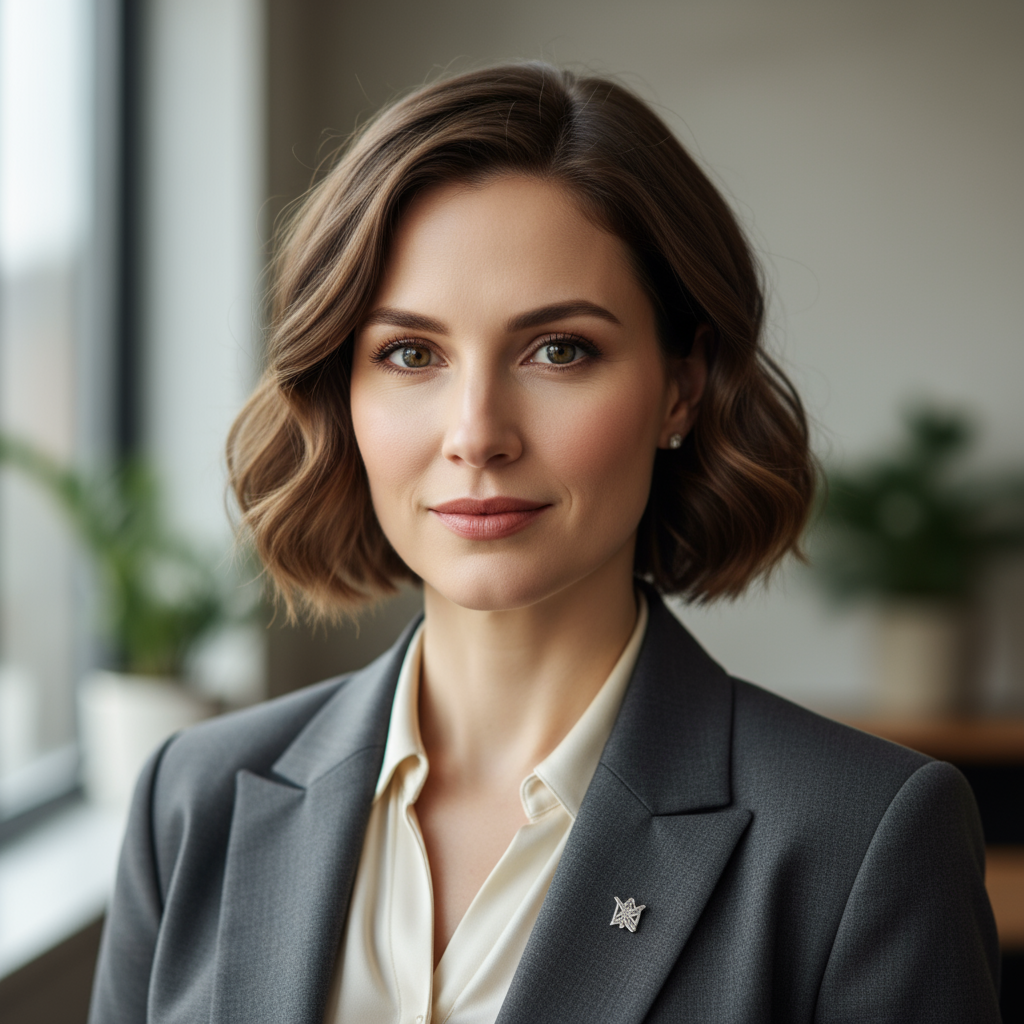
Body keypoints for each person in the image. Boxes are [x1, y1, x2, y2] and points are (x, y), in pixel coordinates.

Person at [89, 63, 1000, 1023]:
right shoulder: (193, 803)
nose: (477, 432)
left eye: (559, 350)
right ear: (340, 393)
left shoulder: (861, 841)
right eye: (410, 354)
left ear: (681, 388)